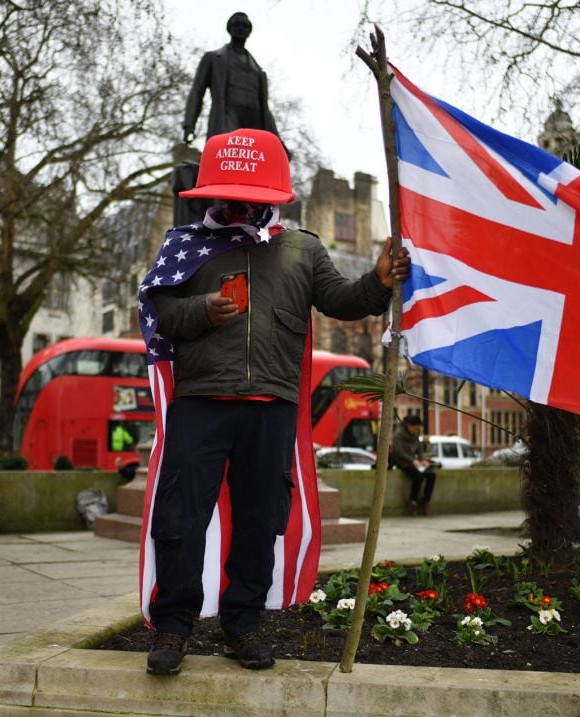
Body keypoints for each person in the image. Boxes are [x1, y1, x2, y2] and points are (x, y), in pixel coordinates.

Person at [137, 127, 409, 676]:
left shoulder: (302, 247)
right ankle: (174, 625)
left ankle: (244, 625)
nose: (241, 205)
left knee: (261, 520)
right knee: (181, 517)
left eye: (254, 196)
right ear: (211, 193)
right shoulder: (184, 244)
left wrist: (377, 282)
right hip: (201, 400)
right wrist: (202, 312)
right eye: (231, 194)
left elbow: (340, 301)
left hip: (273, 404)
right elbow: (160, 314)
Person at [182, 12, 282, 146]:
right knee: (226, 157)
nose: (241, 28)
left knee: (253, 163)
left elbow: (265, 108)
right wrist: (189, 124)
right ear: (229, 28)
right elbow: (197, 91)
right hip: (227, 116)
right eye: (237, 24)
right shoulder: (212, 58)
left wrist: (276, 139)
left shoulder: (259, 71)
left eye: (245, 25)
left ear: (249, 31)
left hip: (255, 120)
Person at [390, 414, 436, 516]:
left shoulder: (415, 435)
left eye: (418, 429)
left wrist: (423, 459)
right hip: (403, 462)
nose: (417, 431)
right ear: (409, 426)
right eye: (415, 428)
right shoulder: (398, 435)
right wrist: (412, 460)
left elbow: (419, 449)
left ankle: (425, 500)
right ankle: (412, 501)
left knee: (431, 475)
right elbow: (399, 452)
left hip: (415, 463)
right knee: (418, 477)